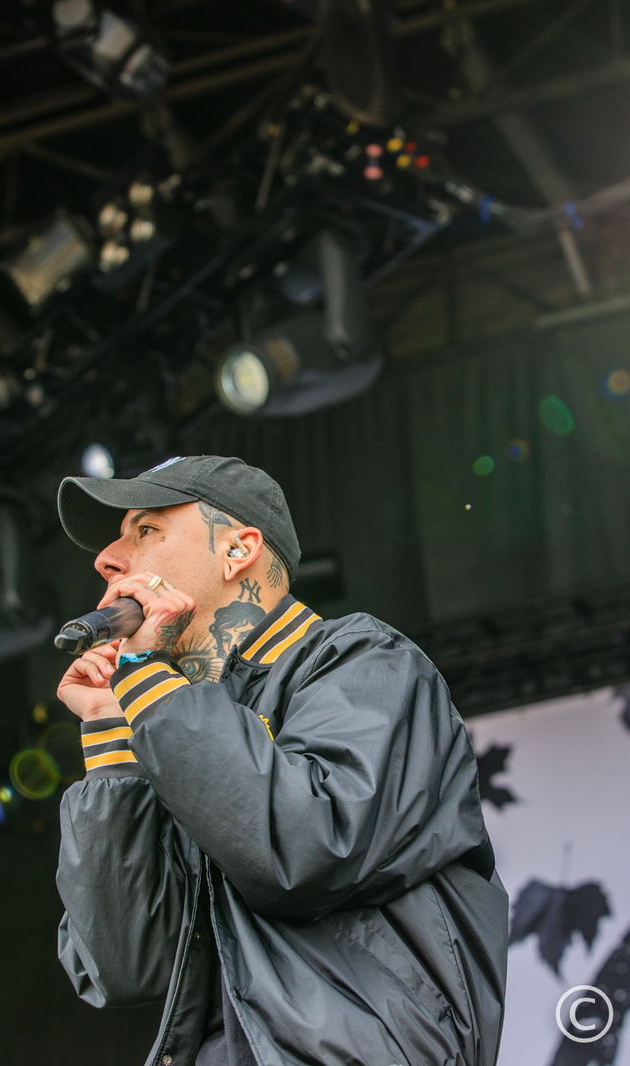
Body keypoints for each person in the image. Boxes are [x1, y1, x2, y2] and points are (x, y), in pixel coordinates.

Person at [51, 454, 508, 1066]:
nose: (107, 558)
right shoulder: (175, 724)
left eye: (147, 530)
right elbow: (125, 967)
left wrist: (148, 680)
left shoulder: (363, 659)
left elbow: (308, 848)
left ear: (237, 551)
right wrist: (113, 737)